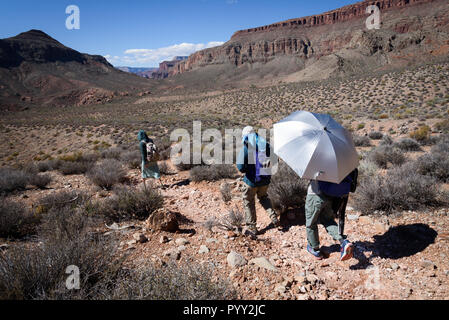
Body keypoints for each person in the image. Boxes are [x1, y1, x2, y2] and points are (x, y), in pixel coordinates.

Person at [237, 126, 281, 239]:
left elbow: (240, 167)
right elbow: (276, 160)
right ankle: (273, 216)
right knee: (263, 197)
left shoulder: (247, 147)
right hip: (265, 180)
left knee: (248, 202)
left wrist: (249, 169)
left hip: (251, 181)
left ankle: (252, 227)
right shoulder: (265, 145)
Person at [304, 169, 358, 261]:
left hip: (314, 195)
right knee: (328, 220)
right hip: (328, 196)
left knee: (311, 223)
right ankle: (343, 242)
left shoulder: (316, 159)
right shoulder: (334, 161)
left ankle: (314, 249)